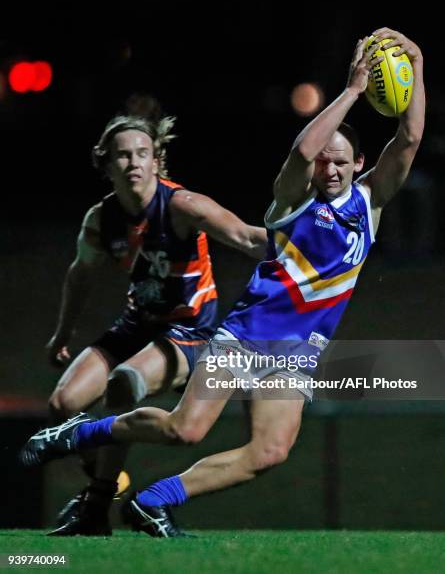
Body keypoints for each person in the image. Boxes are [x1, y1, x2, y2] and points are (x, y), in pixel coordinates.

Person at [21, 28, 425, 537]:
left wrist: (418, 62)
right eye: (327, 159)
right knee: (184, 429)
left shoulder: (369, 203)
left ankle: (153, 501)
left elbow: (408, 139)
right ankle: (78, 433)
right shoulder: (293, 200)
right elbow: (302, 151)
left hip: (298, 349)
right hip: (247, 334)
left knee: (269, 452)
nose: (331, 166)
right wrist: (351, 91)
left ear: (360, 165)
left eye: (342, 161)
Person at [42, 113, 267, 535]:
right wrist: (63, 333)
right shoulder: (101, 218)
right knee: (63, 405)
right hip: (137, 324)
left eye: (142, 154)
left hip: (189, 332)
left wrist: (310, 248)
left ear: (156, 161)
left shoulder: (181, 205)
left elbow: (247, 238)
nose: (133, 163)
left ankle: (95, 504)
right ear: (106, 165)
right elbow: (81, 275)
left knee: (125, 381)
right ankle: (107, 486)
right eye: (123, 156)